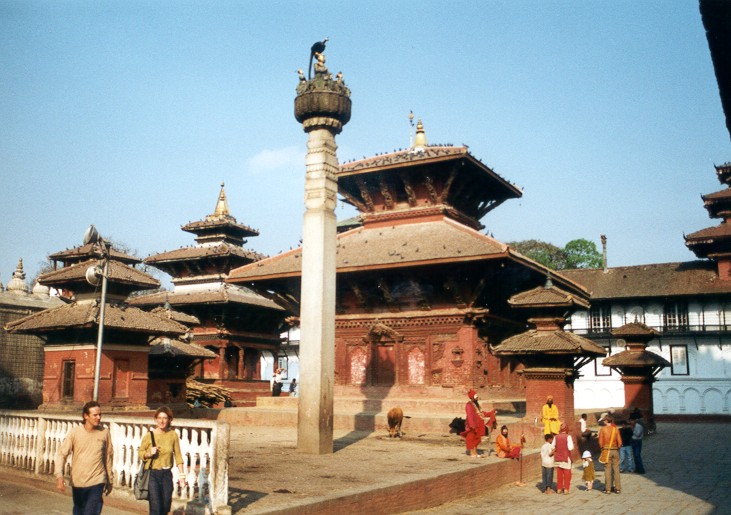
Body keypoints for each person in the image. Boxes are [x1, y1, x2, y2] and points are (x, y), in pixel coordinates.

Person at [55, 400, 114, 515]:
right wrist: (59, 476)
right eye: (95, 415)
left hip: (97, 480)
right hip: (78, 482)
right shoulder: (75, 433)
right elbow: (62, 454)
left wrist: (109, 480)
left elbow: (108, 457)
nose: (98, 418)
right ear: (86, 416)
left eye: (100, 415)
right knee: (79, 511)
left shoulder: (105, 432)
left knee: (91, 512)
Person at [138, 406, 187, 515]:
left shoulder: (173, 435)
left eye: (165, 418)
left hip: (166, 475)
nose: (162, 421)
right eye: (159, 418)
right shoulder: (149, 435)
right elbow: (140, 452)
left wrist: (182, 476)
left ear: (169, 420)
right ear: (156, 419)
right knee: (156, 508)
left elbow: (178, 455)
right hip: (153, 475)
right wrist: (149, 453)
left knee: (165, 506)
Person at [598, 414, 623, 494]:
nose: (603, 421)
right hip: (615, 450)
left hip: (606, 450)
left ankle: (608, 489)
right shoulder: (616, 429)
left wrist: (602, 449)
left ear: (606, 421)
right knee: (616, 469)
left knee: (607, 470)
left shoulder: (603, 429)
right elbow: (620, 442)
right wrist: (617, 448)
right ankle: (618, 488)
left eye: (604, 420)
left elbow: (600, 442)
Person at [460, 389, 488, 458]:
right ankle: (472, 453)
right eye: (476, 396)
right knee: (471, 439)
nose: (477, 397)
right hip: (471, 425)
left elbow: (481, 413)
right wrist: (472, 425)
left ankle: (475, 452)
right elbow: (469, 415)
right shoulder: (469, 405)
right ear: (472, 397)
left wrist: (491, 413)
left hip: (477, 424)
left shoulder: (476, 404)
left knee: (476, 438)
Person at [553, 423, 574, 494]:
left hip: (558, 457)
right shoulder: (568, 437)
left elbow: (553, 446)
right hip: (566, 457)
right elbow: (570, 448)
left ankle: (559, 489)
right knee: (567, 474)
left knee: (559, 474)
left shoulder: (556, 437)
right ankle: (566, 489)